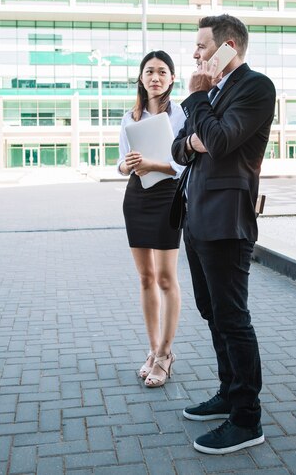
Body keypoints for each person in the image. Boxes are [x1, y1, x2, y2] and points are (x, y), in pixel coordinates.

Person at [172, 14, 276, 454]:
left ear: (228, 46)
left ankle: (247, 418)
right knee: (212, 312)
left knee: (233, 319)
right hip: (197, 220)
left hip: (228, 221)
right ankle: (228, 391)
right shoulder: (213, 94)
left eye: (202, 46)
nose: (195, 54)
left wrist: (197, 103)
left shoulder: (255, 87)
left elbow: (218, 140)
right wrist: (197, 133)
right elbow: (180, 148)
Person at [118, 50, 185, 387]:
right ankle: (152, 348)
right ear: (141, 78)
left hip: (167, 197)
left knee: (165, 278)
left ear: (172, 78)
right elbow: (118, 163)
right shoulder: (129, 116)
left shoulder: (181, 114)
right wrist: (128, 164)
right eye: (149, 71)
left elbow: (184, 163)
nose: (155, 77)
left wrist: (154, 164)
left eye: (162, 71)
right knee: (145, 277)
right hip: (136, 195)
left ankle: (166, 353)